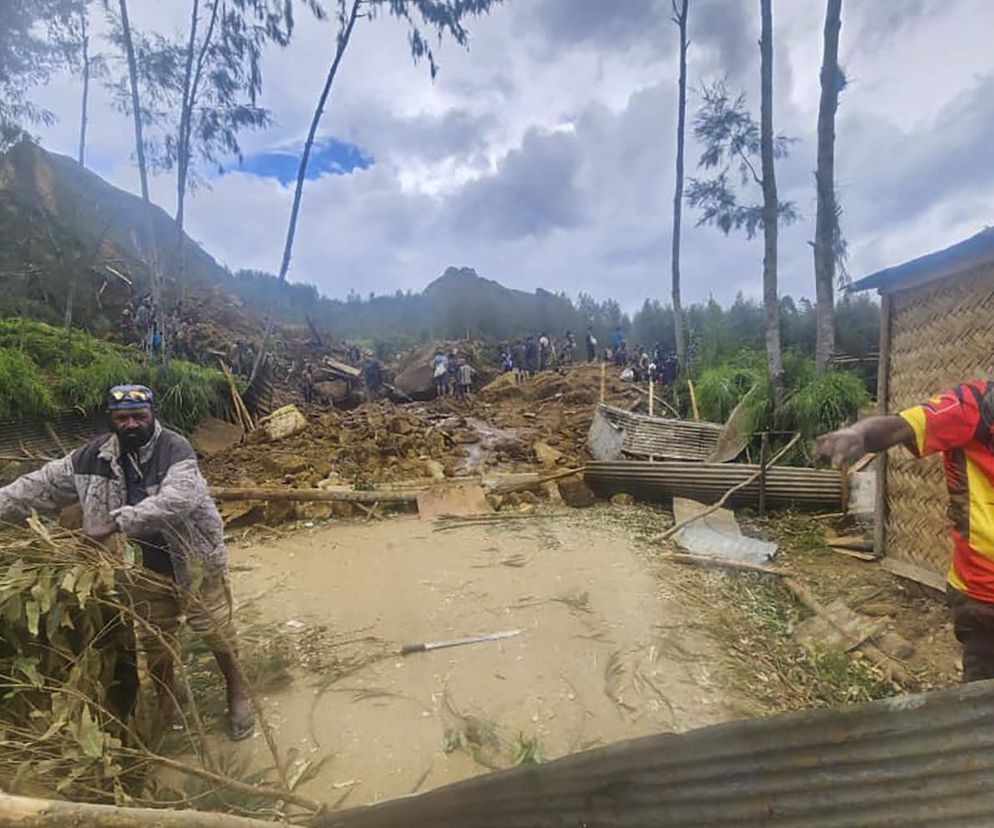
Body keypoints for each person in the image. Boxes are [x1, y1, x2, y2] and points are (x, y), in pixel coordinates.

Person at [0, 385, 253, 739]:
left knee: (215, 630)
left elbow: (177, 500)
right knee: (154, 639)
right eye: (123, 418)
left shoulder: (175, 449)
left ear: (152, 415)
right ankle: (166, 703)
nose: (132, 424)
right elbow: (36, 487)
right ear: (112, 420)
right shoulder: (91, 458)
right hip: (139, 566)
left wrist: (116, 523)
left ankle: (237, 692)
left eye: (139, 416)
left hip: (193, 561)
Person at [814, 380, 994, 683]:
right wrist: (858, 434)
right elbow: (900, 426)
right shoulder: (971, 406)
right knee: (981, 706)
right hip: (984, 599)